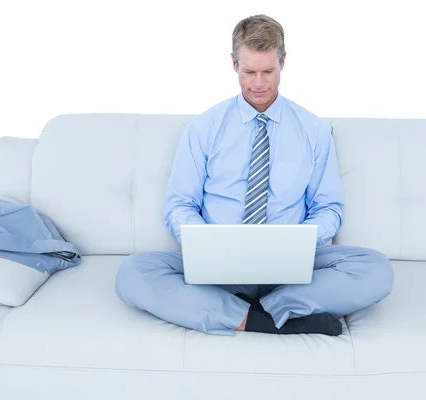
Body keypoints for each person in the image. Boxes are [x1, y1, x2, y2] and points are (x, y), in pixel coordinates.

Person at [115, 14, 394, 336]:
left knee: (375, 269)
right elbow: (180, 204)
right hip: (218, 264)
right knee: (134, 272)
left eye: (268, 71)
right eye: (249, 71)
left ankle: (241, 311)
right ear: (233, 64)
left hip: (292, 265)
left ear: (283, 62)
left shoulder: (312, 130)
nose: (258, 83)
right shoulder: (205, 127)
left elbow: (328, 207)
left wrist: (298, 244)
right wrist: (206, 244)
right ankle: (272, 320)